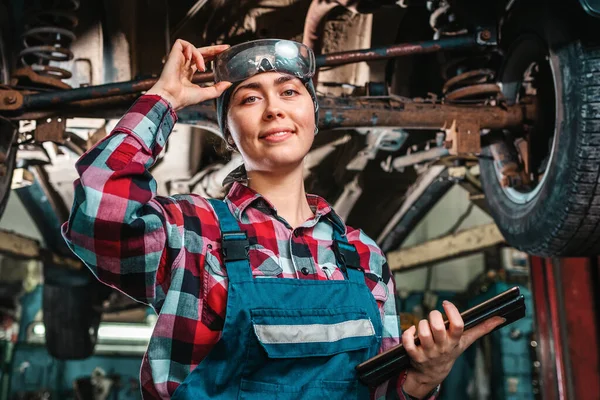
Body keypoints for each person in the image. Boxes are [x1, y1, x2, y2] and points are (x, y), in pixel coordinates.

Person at [61, 38, 504, 399]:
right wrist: (165, 99)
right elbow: (99, 214)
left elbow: (379, 390)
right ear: (228, 134)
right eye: (250, 98)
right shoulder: (192, 232)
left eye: (290, 92)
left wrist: (425, 379)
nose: (274, 108)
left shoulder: (363, 254)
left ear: (314, 115)